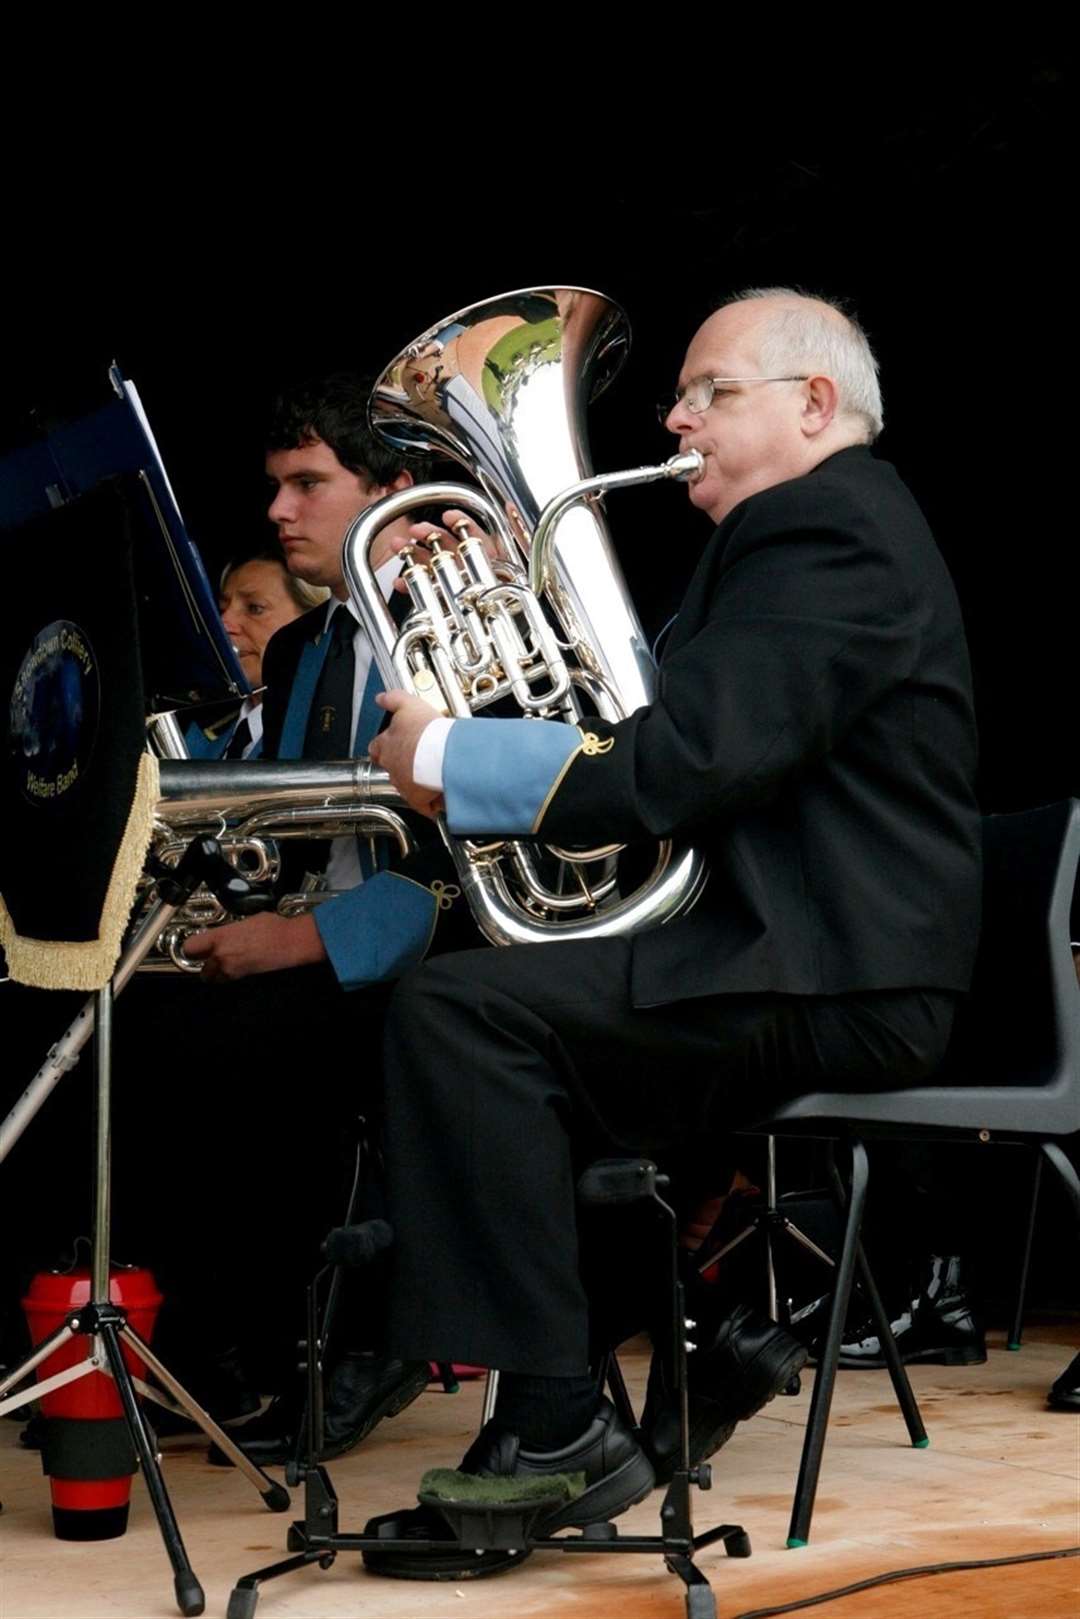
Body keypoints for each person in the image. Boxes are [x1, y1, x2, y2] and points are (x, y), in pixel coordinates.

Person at [366, 288, 983, 1538]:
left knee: (460, 1019)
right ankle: (676, 1355)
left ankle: (554, 1418)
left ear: (816, 405)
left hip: (829, 975)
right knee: (504, 1030)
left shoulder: (829, 527)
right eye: (683, 393)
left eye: (713, 392)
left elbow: (680, 763)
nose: (675, 414)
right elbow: (665, 742)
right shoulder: (796, 535)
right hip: (790, 956)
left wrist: (457, 755)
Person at [184, 551, 329, 760]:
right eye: (222, 608)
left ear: (312, 618)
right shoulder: (197, 735)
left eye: (254, 608)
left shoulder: (325, 731)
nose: (224, 624)